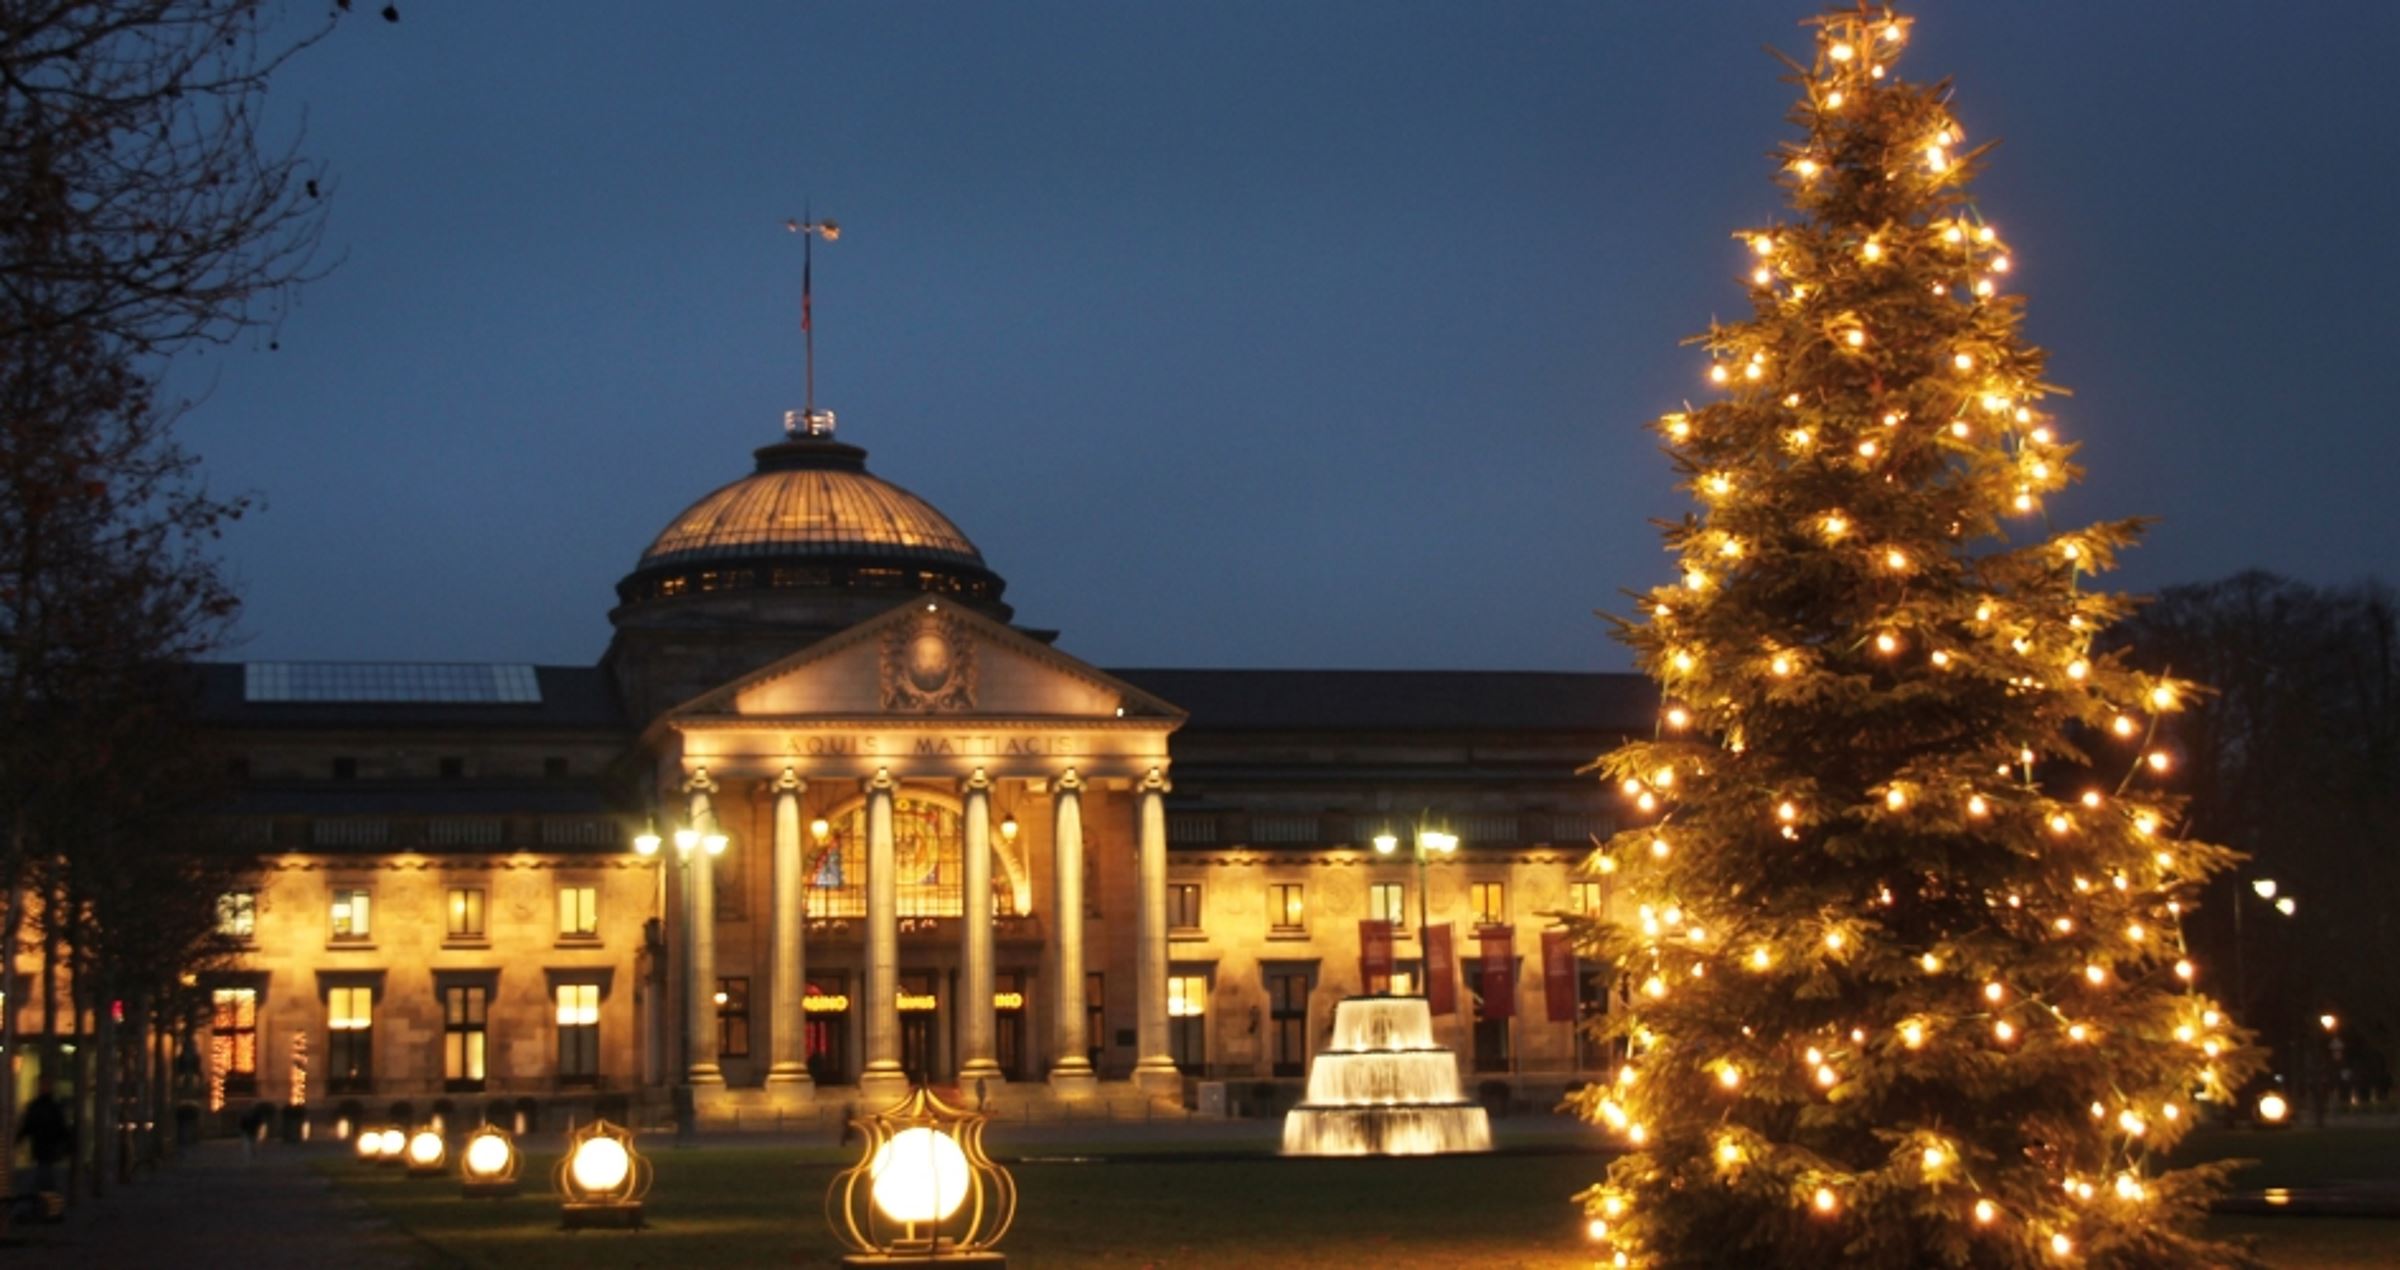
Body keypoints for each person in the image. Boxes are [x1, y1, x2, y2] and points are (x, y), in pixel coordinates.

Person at [17, 1090, 71, 1217]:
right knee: (45, 1180)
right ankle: (48, 1209)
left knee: (44, 1180)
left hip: (46, 1149)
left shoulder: (50, 1107)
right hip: (43, 1149)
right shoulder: (42, 1107)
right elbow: (29, 1125)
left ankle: (47, 1209)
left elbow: (60, 1128)